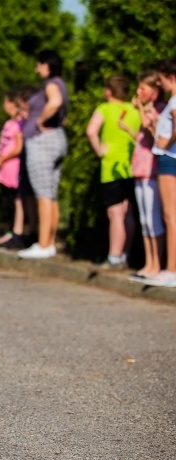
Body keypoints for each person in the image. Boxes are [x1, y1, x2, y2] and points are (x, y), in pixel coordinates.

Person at [17, 50, 68, 260]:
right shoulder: (61, 83)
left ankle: (43, 243)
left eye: (39, 64)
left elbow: (54, 102)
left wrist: (39, 121)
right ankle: (50, 242)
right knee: (51, 193)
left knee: (43, 195)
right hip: (55, 140)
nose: (36, 68)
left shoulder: (50, 84)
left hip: (42, 142)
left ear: (46, 65)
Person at [86, 75, 140, 269]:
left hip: (112, 167)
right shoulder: (134, 111)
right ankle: (125, 254)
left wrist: (100, 149)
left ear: (108, 91)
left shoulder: (105, 109)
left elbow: (91, 131)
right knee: (128, 212)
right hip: (131, 166)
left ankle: (114, 256)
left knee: (115, 213)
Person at [127, 72, 166, 283]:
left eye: (143, 88)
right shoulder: (149, 110)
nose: (139, 93)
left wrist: (143, 109)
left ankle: (157, 263)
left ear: (155, 91)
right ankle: (149, 263)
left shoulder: (159, 110)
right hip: (141, 170)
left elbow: (155, 133)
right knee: (144, 219)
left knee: (153, 218)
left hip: (153, 170)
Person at [147, 59, 176, 288]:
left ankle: (171, 269)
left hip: (169, 161)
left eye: (161, 79)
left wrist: (167, 144)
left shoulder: (174, 99)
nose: (160, 83)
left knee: (170, 215)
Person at [0, 90, 25, 249]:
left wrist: (3, 159)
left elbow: (18, 147)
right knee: (9, 201)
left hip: (13, 167)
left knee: (16, 201)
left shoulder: (18, 124)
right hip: (5, 169)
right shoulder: (10, 123)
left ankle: (16, 232)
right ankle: (11, 231)